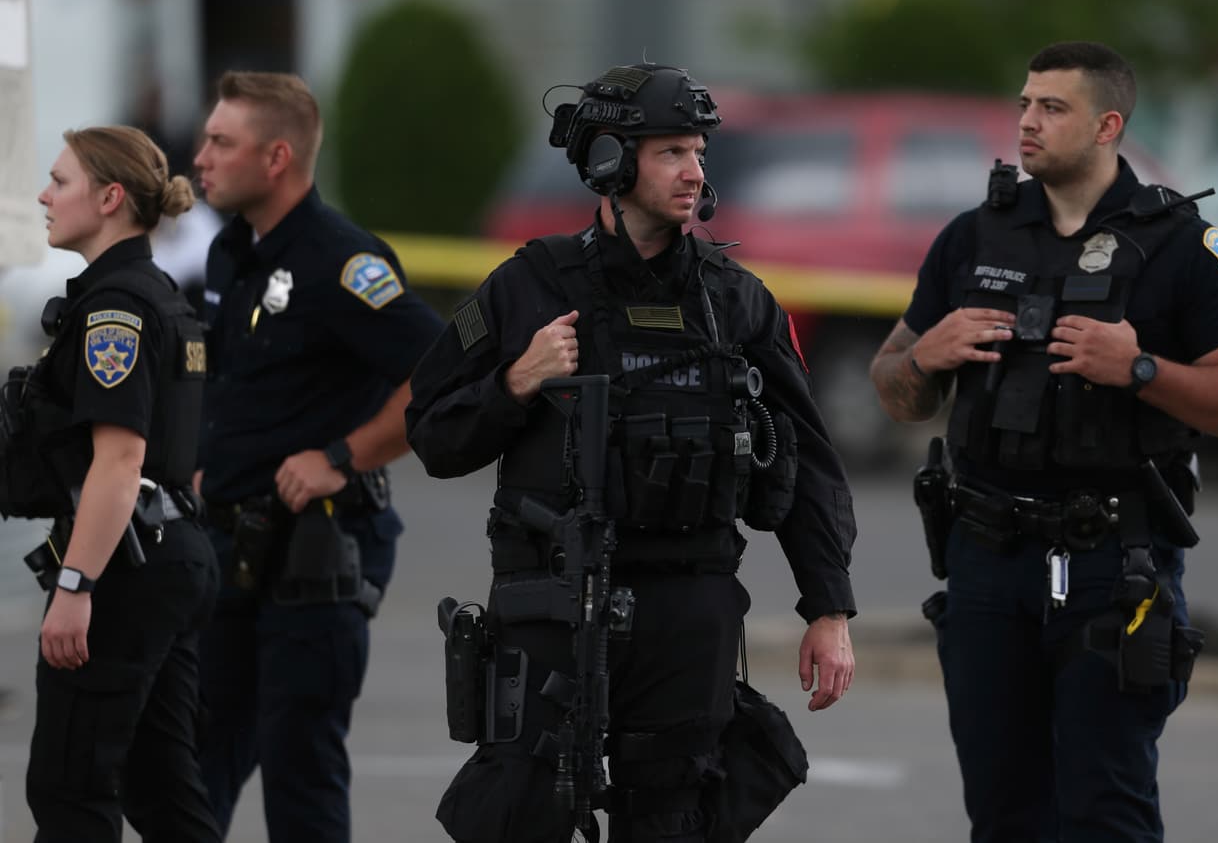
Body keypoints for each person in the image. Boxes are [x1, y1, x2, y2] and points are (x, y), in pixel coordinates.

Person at [406, 62, 858, 842]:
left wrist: (829, 605)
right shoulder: (530, 287)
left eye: (699, 152)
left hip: (690, 607)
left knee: (678, 813)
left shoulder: (736, 300)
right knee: (521, 809)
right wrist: (518, 381)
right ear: (612, 161)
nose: (695, 171)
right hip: (555, 595)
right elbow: (433, 434)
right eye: (672, 152)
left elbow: (808, 460)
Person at [869, 41, 1218, 842]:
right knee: (1002, 809)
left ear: (1107, 125)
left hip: (1112, 565)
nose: (1027, 121)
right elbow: (895, 390)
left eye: (1051, 108)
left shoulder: (1184, 246)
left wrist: (1140, 367)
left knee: (1104, 810)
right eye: (1024, 103)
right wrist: (925, 354)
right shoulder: (971, 237)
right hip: (985, 560)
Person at [190, 71, 444, 841]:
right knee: (193, 765)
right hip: (230, 545)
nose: (199, 156)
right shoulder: (234, 252)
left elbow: (439, 373)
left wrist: (345, 453)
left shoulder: (343, 263)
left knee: (299, 771)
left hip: (314, 555)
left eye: (219, 142)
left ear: (275, 159)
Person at [10, 126, 221, 841]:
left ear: (109, 197)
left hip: (123, 567)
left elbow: (122, 460)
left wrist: (76, 587)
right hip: (167, 552)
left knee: (70, 787)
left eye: (60, 181)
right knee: (162, 791)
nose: (44, 194)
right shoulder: (157, 295)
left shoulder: (116, 310)